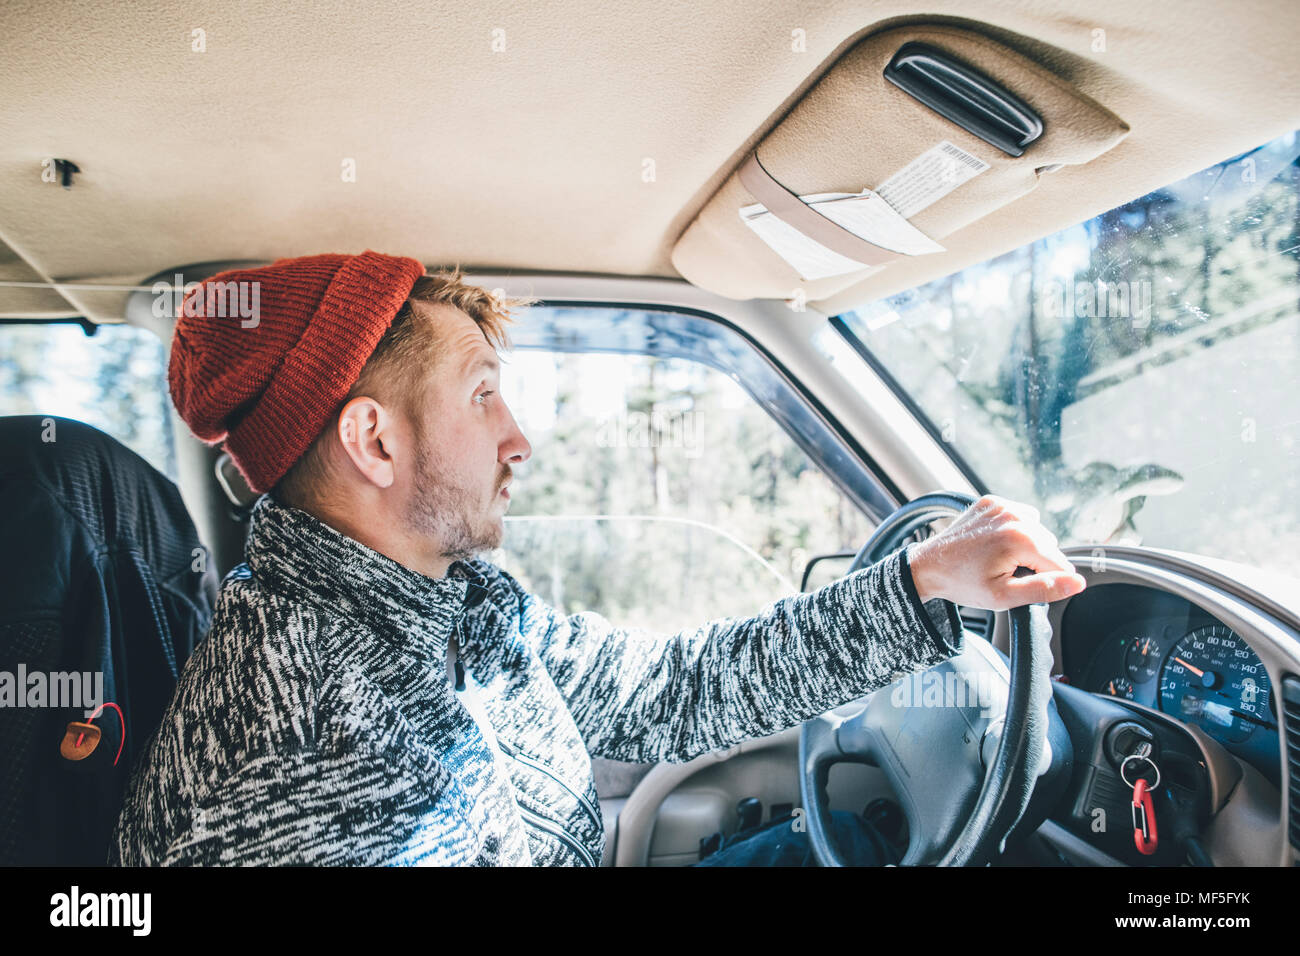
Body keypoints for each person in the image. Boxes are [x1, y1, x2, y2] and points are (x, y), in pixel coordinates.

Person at [110, 250, 1086, 867]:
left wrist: (918, 584)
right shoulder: (300, 742)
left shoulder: (462, 609)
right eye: (483, 393)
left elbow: (670, 688)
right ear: (373, 442)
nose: (519, 438)